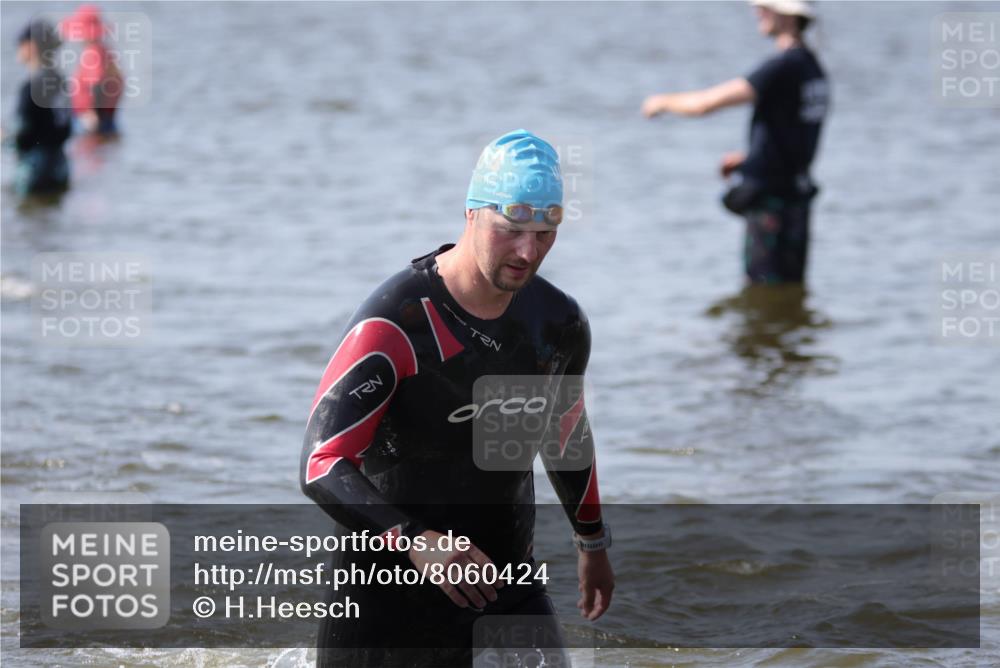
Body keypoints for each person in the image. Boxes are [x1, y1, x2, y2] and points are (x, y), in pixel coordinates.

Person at [300, 129, 614, 667]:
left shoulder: (558, 324)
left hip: (505, 582)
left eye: (544, 233)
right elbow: (321, 462)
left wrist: (592, 543)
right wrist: (418, 541)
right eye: (511, 230)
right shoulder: (397, 320)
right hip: (385, 595)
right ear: (471, 214)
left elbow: (564, 437)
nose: (528, 251)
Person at [641, 0, 830, 284]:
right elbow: (797, 132)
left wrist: (662, 102)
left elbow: (705, 104)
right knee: (790, 285)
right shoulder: (812, 68)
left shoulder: (780, 67)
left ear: (789, 17)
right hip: (797, 198)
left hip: (771, 206)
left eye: (766, 6)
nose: (758, 11)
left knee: (763, 290)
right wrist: (750, 158)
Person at [12, 20, 72, 197]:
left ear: (32, 46)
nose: (18, 49)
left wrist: (5, 138)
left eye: (20, 44)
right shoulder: (60, 80)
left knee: (31, 218)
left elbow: (23, 136)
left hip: (35, 170)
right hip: (61, 165)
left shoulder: (30, 88)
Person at [60, 5, 123, 136]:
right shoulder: (105, 51)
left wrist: (93, 113)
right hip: (106, 118)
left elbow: (97, 83)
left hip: (90, 120)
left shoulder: (93, 52)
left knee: (88, 154)